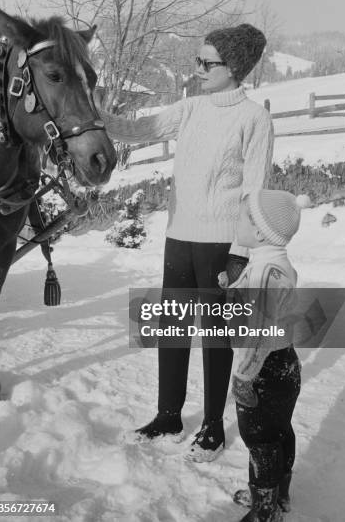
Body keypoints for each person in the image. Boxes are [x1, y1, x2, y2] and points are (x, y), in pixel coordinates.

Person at [105, 24, 274, 462]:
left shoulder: (254, 118)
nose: (197, 69)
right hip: (178, 236)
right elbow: (140, 129)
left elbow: (256, 190)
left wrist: (242, 250)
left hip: (221, 244)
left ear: (233, 67)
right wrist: (89, 114)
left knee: (215, 336)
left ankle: (214, 427)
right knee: (173, 330)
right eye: (197, 60)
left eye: (207, 62)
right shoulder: (190, 108)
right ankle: (168, 415)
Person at [218, 189, 310, 521]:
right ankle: (278, 494)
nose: (236, 222)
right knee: (279, 431)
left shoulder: (264, 274)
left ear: (258, 232)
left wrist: (244, 378)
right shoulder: (275, 264)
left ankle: (265, 509)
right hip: (284, 365)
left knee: (260, 440)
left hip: (262, 371)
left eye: (241, 217)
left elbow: (258, 335)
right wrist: (234, 284)